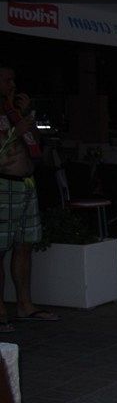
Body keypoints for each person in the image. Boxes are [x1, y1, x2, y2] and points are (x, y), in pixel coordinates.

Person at [0, 65, 59, 332]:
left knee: (24, 245)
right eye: (7, 80)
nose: (12, 85)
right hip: (4, 186)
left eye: (13, 80)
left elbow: (35, 144)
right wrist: (15, 130)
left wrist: (25, 119)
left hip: (26, 184)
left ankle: (25, 305)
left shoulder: (13, 112)